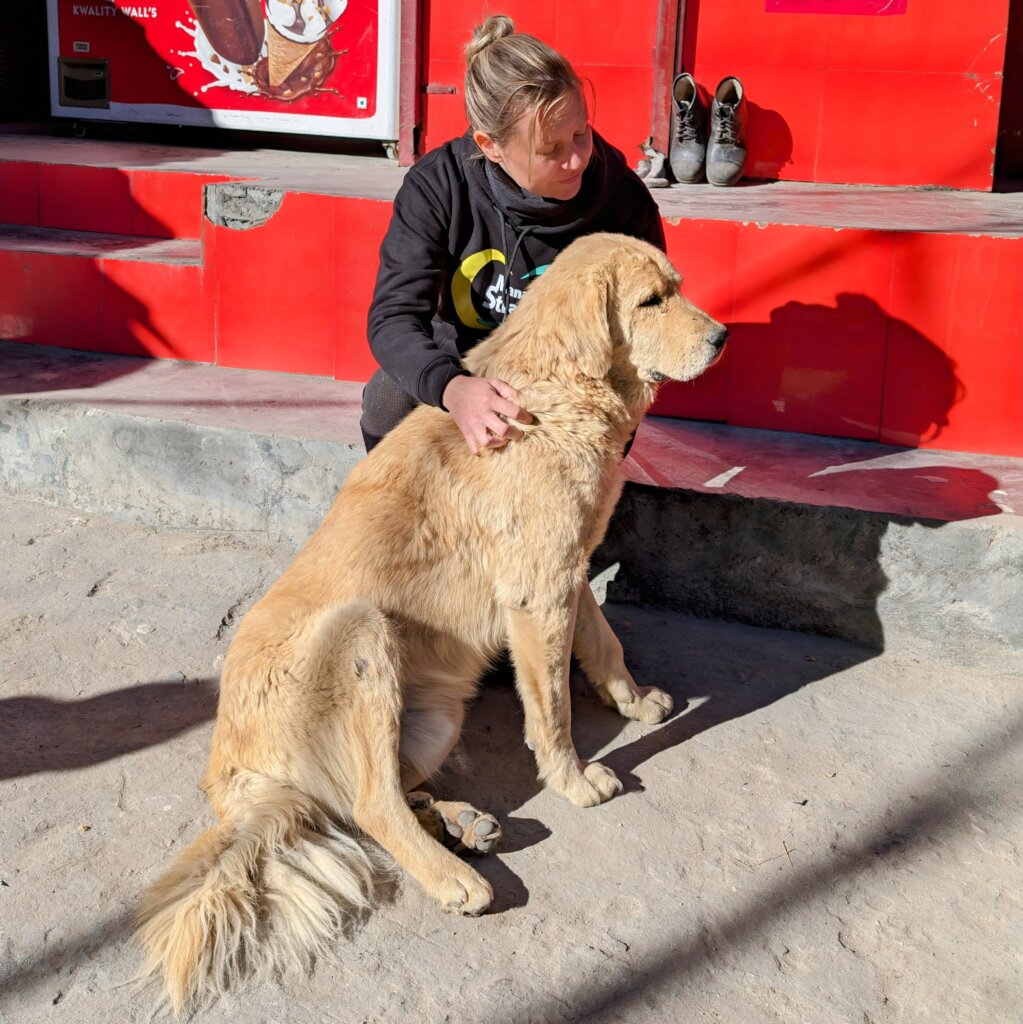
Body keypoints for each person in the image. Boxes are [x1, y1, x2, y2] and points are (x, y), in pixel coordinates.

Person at [361, 14, 666, 455]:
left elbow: (650, 320)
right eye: (551, 150)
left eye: (582, 134)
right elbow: (393, 317)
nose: (577, 159)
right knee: (386, 401)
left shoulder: (623, 199)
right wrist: (454, 388)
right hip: (465, 359)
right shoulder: (437, 187)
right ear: (490, 146)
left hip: (575, 372)